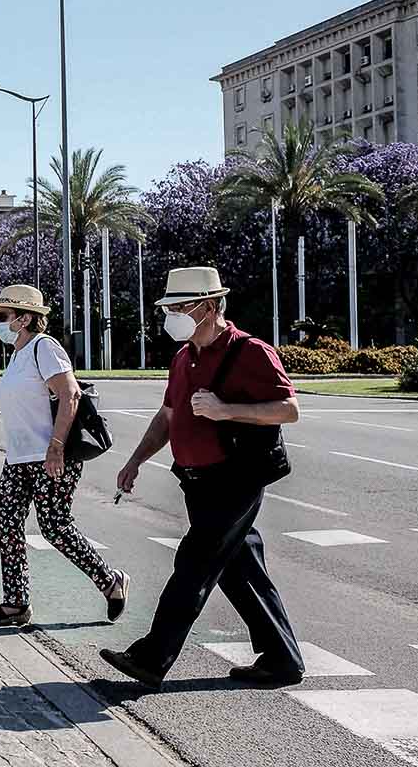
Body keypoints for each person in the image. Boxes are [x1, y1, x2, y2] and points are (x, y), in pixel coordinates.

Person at [100, 267, 305, 690]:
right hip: (195, 480)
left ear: (209, 307)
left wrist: (225, 410)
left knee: (193, 564)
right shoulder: (183, 357)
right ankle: (282, 659)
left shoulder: (251, 352)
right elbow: (167, 416)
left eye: (180, 307)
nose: (171, 316)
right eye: (168, 308)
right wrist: (136, 460)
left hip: (236, 477)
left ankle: (151, 658)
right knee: (239, 568)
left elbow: (288, 410)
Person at [0, 285, 131, 627]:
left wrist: (56, 446)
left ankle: (110, 581)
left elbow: (70, 394)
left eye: (3, 315)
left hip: (51, 455)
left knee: (55, 527)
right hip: (19, 458)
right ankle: (16, 603)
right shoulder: (18, 354)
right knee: (7, 521)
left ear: (24, 318)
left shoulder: (44, 347)